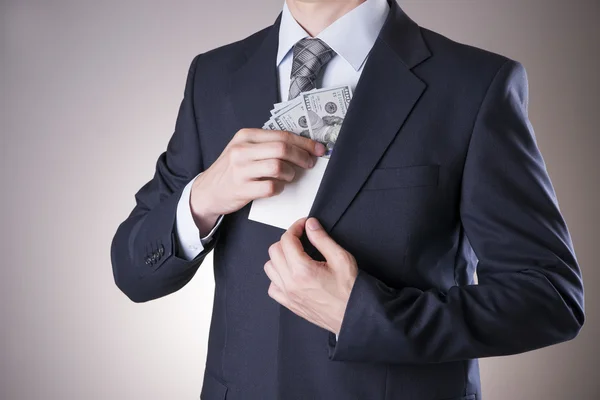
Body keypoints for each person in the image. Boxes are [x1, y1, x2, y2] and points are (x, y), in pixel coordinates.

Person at [110, 0, 585, 398]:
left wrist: (368, 317)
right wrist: (204, 197)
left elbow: (551, 297)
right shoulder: (212, 76)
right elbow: (134, 271)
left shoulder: (475, 84)